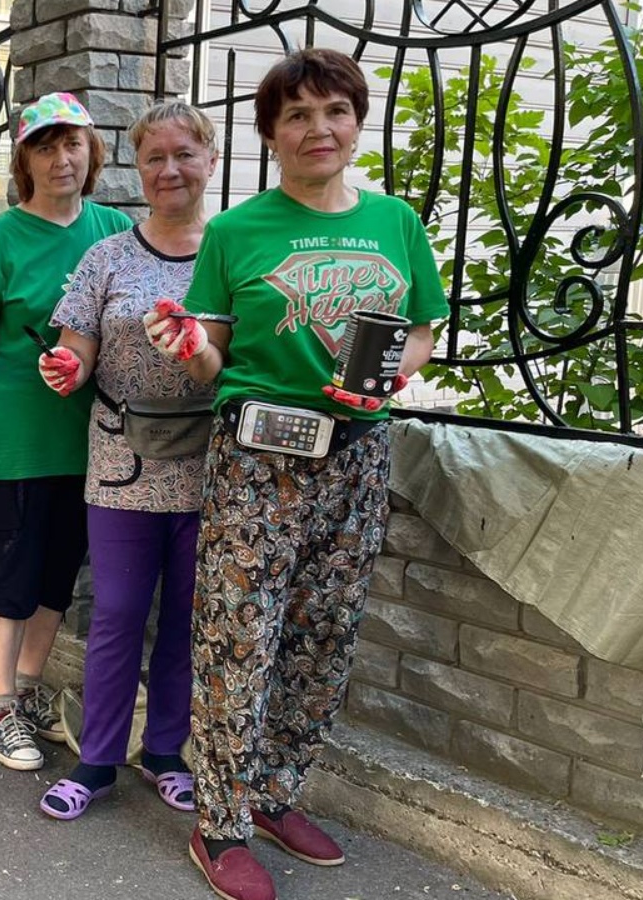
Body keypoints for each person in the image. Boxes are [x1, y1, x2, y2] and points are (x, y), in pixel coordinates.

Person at [144, 49, 448, 900]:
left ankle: (275, 794)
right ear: (271, 134)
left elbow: (424, 328)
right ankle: (220, 822)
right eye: (298, 115)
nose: (320, 129)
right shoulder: (237, 232)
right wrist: (189, 345)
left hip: (358, 453)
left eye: (335, 111)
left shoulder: (396, 222)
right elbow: (212, 356)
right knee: (238, 638)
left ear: (357, 122)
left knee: (324, 634)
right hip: (257, 458)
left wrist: (390, 375)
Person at [32, 102, 218, 820]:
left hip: (210, 463)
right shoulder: (106, 256)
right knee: (115, 613)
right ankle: (98, 759)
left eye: (184, 154)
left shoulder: (233, 251)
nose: (169, 170)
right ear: (137, 169)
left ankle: (166, 751)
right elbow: (76, 346)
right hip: (121, 459)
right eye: (154, 158)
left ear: (210, 160)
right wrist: (66, 368)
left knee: (186, 616)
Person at [0, 92, 132, 771]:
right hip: (15, 434)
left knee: (60, 570)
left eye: (73, 144)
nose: (62, 158)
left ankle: (27, 688)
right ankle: (0, 705)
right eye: (46, 146)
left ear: (92, 152)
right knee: (14, 570)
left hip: (90, 434)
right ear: (24, 161)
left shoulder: (115, 229)